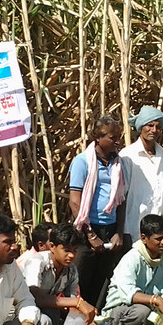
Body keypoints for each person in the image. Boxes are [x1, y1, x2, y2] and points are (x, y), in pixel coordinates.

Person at [69, 115, 129, 307]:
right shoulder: (82, 162)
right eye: (113, 138)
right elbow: (74, 202)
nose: (117, 142)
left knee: (103, 281)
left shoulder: (118, 164)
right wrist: (90, 234)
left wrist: (118, 232)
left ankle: (98, 324)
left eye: (119, 137)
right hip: (87, 228)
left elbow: (121, 200)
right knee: (82, 279)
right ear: (98, 137)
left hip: (109, 228)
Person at [21, 223, 99, 325]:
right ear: (52, 247)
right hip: (23, 314)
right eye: (66, 250)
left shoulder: (71, 270)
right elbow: (34, 297)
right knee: (52, 313)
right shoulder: (37, 262)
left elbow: (72, 307)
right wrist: (77, 303)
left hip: (45, 315)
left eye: (75, 250)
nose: (72, 256)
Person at [120, 106, 163, 242]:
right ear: (141, 127)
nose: (154, 130)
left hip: (157, 225)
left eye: (158, 127)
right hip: (132, 224)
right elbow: (121, 194)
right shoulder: (127, 155)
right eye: (150, 125)